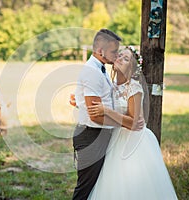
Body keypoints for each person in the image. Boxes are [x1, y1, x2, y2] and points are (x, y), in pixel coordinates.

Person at [87, 46, 178, 199]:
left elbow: (135, 124)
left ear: (132, 67)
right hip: (114, 138)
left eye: (126, 58)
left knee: (132, 184)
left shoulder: (133, 87)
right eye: (120, 55)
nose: (120, 59)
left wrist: (107, 111)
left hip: (133, 141)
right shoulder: (111, 83)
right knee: (112, 184)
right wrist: (82, 103)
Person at [72, 29, 144, 200]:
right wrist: (125, 122)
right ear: (100, 51)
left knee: (103, 187)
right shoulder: (93, 71)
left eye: (121, 54)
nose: (116, 56)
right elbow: (95, 115)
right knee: (85, 189)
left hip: (109, 139)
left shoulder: (104, 72)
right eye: (114, 52)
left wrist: (80, 102)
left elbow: (104, 101)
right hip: (91, 137)